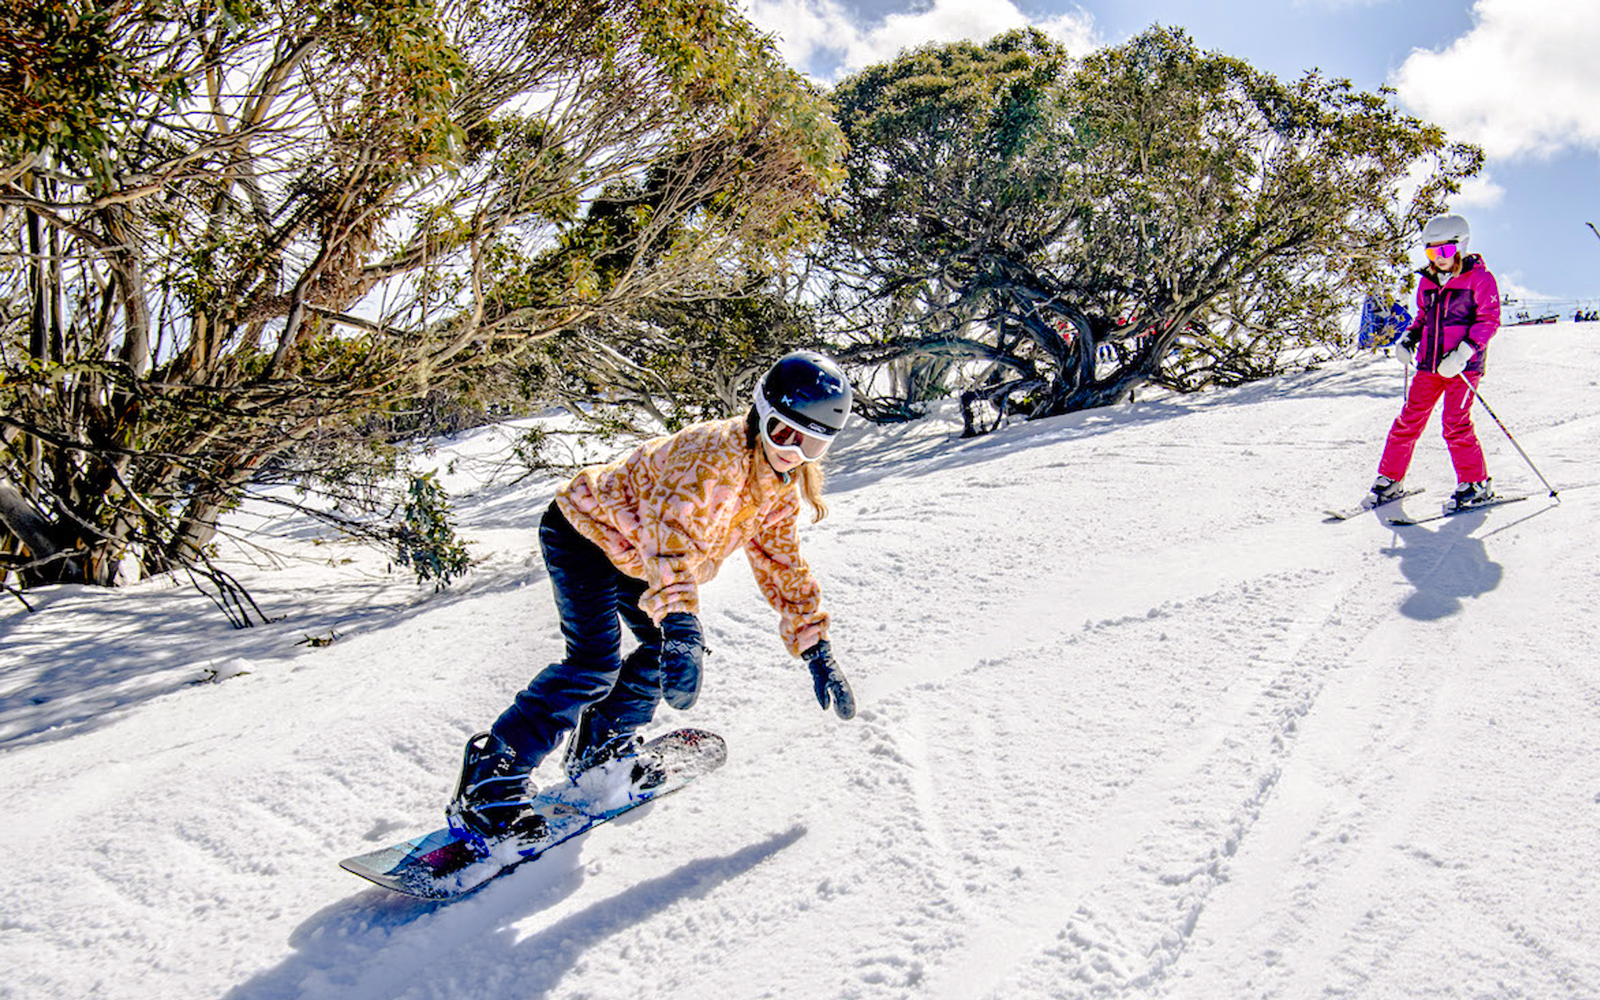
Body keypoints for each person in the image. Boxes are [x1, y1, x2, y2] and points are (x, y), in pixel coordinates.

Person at [447, 350, 859, 841]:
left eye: (813, 443)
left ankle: (602, 748)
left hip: (637, 554)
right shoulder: (710, 458)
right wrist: (682, 624)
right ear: (761, 415)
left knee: (662, 652)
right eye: (785, 434)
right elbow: (672, 542)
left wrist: (815, 645)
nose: (795, 451)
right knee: (593, 665)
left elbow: (782, 564)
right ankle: (490, 785)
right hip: (585, 533)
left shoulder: (778, 487)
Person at [1370, 213, 1502, 510]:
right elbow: (1422, 319)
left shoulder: (1480, 279)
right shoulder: (1427, 282)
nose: (1438, 258)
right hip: (1428, 366)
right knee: (1408, 420)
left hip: (1463, 367)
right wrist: (1407, 340)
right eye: (1431, 251)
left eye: (1443, 250)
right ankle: (1390, 479)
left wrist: (1463, 353)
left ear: (1461, 246)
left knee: (1455, 422)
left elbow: (1489, 320)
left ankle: (1475, 483)